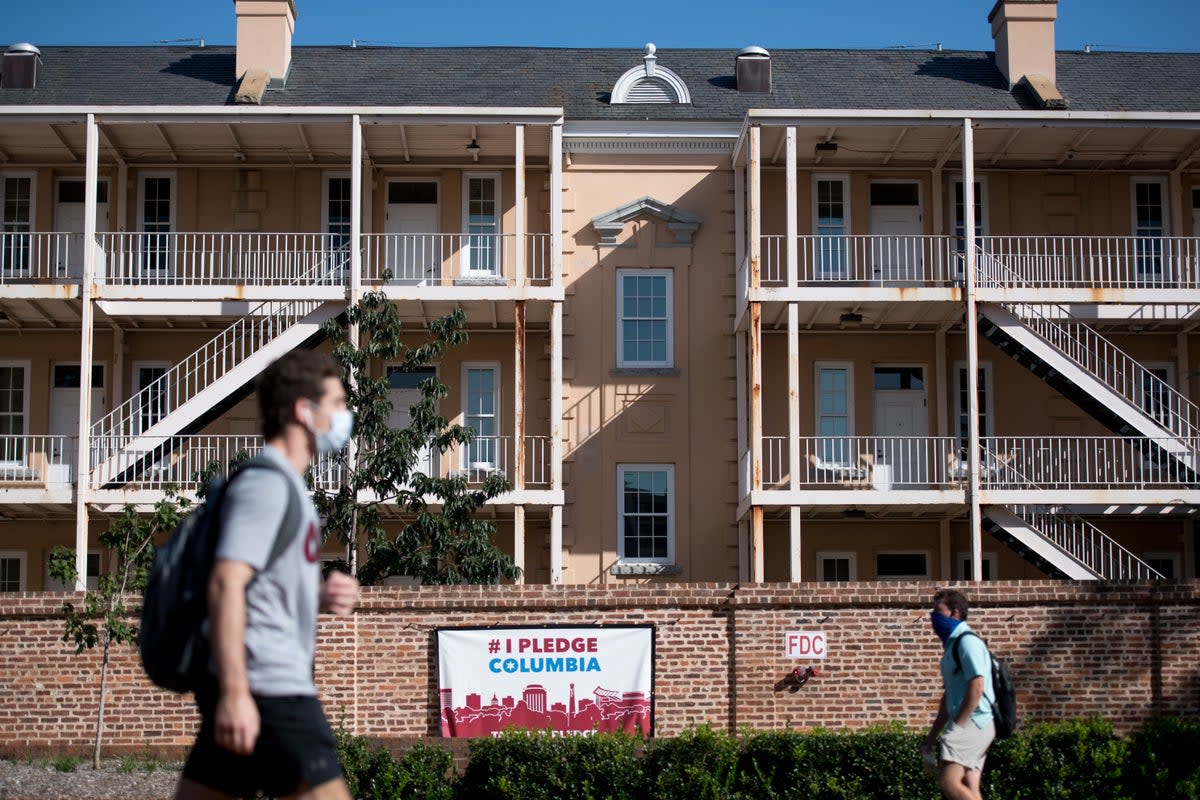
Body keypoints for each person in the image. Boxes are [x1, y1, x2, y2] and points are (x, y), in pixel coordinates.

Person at [176, 350, 360, 800]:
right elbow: (226, 582)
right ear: (304, 411)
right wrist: (236, 694)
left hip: (259, 687)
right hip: (272, 689)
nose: (345, 416)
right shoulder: (267, 485)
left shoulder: (288, 485)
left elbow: (260, 585)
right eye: (337, 404)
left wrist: (317, 595)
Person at [922, 588, 995, 800]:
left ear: (955, 612)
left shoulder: (967, 641)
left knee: (949, 781)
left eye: (938, 611)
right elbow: (948, 699)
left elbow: (977, 686)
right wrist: (932, 736)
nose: (933, 617)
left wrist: (958, 727)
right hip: (974, 723)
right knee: (968, 786)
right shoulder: (952, 646)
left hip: (975, 721)